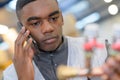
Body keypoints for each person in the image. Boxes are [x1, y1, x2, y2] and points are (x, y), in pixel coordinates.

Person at [3, 0, 108, 80]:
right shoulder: (10, 76)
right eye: (35, 23)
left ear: (61, 18)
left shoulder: (102, 51)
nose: (48, 28)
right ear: (21, 28)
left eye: (53, 18)